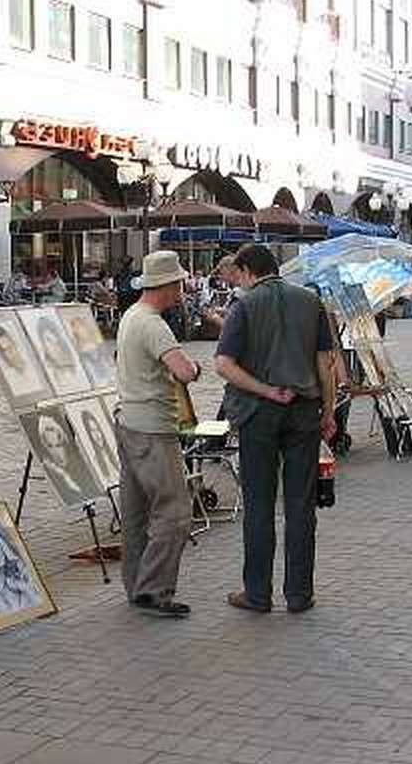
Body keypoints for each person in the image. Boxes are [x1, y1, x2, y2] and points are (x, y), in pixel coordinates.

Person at [215, 243, 337, 615]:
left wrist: (266, 389)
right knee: (301, 506)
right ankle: (299, 594)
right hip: (304, 412)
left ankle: (258, 593)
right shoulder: (310, 301)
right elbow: (325, 363)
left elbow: (224, 364)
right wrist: (328, 411)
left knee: (259, 505)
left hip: (259, 413)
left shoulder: (245, 305)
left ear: (248, 271)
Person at [114, 250, 202, 618]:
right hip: (152, 427)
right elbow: (182, 370)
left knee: (135, 512)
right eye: (179, 282)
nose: (182, 289)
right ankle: (154, 590)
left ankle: (135, 584)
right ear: (168, 285)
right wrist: (196, 367)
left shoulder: (130, 316)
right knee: (176, 512)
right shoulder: (154, 324)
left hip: (127, 421)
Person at [28, 410, 97, 503]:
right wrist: (63, 475)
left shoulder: (84, 464)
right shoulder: (52, 471)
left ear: (65, 442)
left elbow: (84, 492)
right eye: (50, 446)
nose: (56, 452)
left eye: (58, 445)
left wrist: (65, 476)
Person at [35, 316, 82, 390]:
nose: (55, 345)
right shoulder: (47, 372)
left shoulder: (73, 366)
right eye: (48, 340)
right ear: (43, 344)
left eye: (56, 339)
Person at [80, 406, 120, 487]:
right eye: (92, 431)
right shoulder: (95, 460)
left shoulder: (113, 451)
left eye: (97, 429)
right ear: (89, 435)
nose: (98, 435)